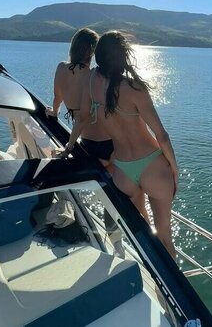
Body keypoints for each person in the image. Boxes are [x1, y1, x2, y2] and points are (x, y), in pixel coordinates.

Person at [72, 31, 178, 257]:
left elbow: (82, 118)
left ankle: (149, 267)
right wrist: (175, 169)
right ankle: (169, 280)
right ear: (123, 57)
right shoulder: (134, 88)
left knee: (145, 235)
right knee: (165, 238)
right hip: (153, 166)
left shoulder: (90, 81)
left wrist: (69, 146)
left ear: (99, 56)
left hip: (123, 172)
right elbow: (161, 135)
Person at [46, 28, 114, 164]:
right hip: (105, 143)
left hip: (86, 142)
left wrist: (54, 112)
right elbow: (83, 117)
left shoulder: (61, 68)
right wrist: (69, 148)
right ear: (93, 52)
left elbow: (57, 98)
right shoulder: (93, 76)